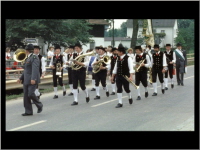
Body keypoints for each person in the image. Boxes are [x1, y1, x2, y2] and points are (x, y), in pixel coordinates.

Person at [17, 44, 43, 116]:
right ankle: (28, 111)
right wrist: (20, 78)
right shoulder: (27, 58)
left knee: (31, 94)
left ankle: (39, 105)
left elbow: (35, 69)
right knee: (26, 96)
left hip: (32, 79)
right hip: (26, 79)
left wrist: (33, 78)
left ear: (27, 50)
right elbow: (26, 70)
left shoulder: (34, 57)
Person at [111, 43, 134, 108]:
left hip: (125, 76)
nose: (117, 52)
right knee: (119, 89)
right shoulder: (118, 58)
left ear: (121, 52)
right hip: (118, 76)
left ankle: (130, 97)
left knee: (126, 89)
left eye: (118, 51)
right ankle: (120, 102)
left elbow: (131, 68)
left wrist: (131, 76)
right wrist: (113, 76)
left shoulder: (128, 58)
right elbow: (115, 68)